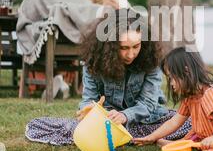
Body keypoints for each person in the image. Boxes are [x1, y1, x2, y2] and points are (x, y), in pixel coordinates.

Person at [25, 9, 191, 144]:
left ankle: (129, 137)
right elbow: (88, 100)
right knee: (42, 125)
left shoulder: (151, 61)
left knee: (189, 123)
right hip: (107, 122)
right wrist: (90, 110)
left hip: (148, 120)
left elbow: (148, 104)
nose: (131, 54)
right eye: (123, 48)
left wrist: (125, 115)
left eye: (136, 46)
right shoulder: (95, 63)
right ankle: (127, 137)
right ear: (110, 46)